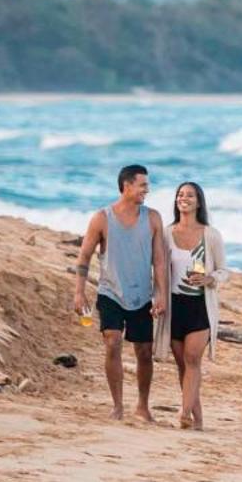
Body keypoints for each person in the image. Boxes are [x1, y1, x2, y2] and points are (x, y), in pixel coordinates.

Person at [71, 163, 171, 422]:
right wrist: (79, 293)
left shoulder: (153, 218)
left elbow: (159, 261)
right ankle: (117, 405)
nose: (146, 190)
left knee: (144, 352)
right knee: (112, 343)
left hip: (142, 295)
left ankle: (142, 406)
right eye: (142, 185)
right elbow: (84, 257)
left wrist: (161, 294)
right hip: (110, 292)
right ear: (126, 186)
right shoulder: (102, 218)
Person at [155, 180, 229, 431]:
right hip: (175, 306)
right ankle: (196, 419)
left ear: (199, 202)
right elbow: (159, 268)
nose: (183, 198)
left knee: (192, 358)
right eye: (180, 194)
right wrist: (158, 298)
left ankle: (183, 411)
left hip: (200, 306)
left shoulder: (210, 234)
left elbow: (224, 271)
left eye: (190, 195)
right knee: (182, 365)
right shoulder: (166, 233)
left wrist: (210, 278)